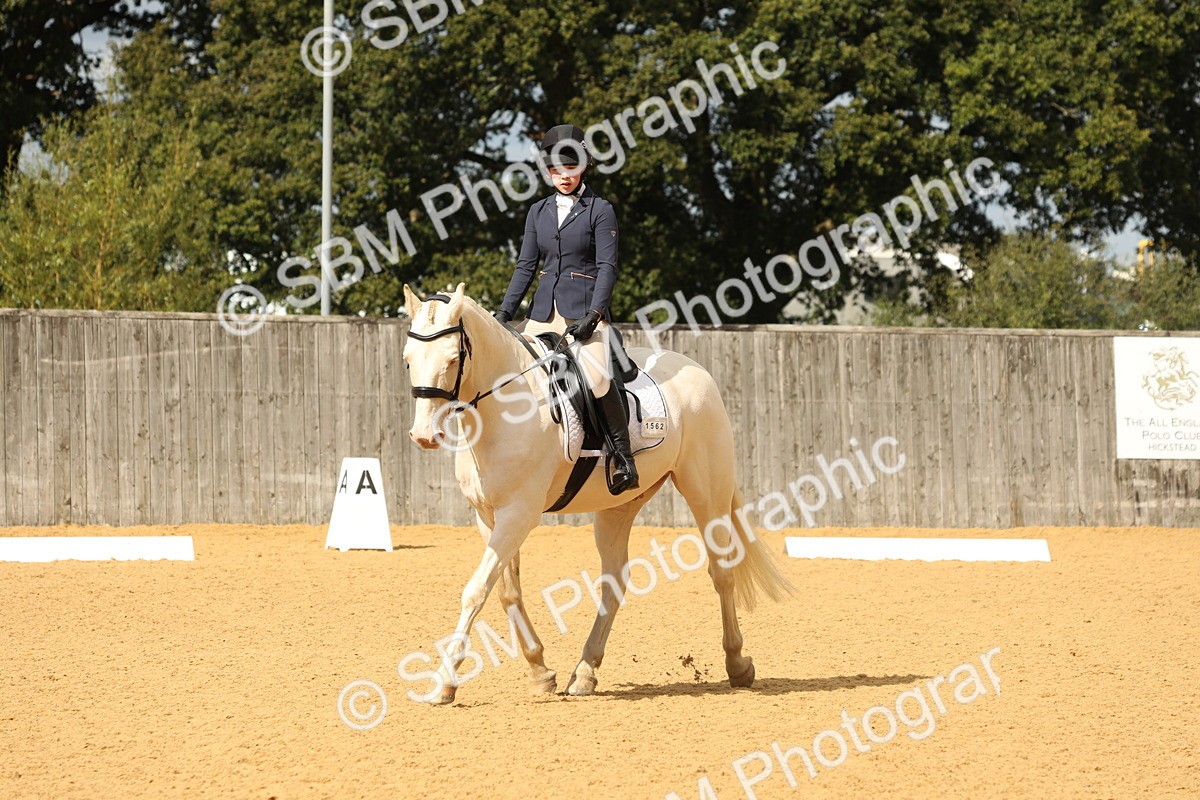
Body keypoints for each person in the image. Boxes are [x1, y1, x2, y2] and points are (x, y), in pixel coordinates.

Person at [493, 124, 639, 494]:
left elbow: (607, 267)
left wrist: (595, 313)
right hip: (542, 313)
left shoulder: (600, 210)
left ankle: (623, 457)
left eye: (571, 168)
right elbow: (525, 266)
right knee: (512, 371)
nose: (564, 176)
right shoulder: (537, 212)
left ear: (584, 167)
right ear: (548, 172)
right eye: (556, 170)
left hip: (583, 313)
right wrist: (504, 313)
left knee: (597, 378)